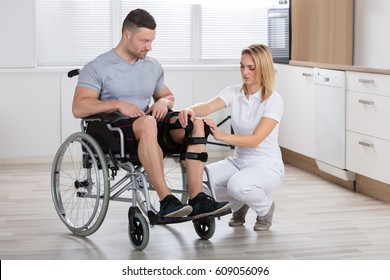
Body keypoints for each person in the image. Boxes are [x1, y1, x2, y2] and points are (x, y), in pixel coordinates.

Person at [72, 9, 230, 219]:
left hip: (150, 125)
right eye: (144, 40)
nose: (149, 47)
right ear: (126, 34)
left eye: (152, 41)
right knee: (147, 123)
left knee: (195, 123)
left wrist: (164, 102)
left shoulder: (152, 66)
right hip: (116, 130)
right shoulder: (98, 67)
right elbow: (79, 108)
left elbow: (167, 95)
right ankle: (166, 201)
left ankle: (197, 198)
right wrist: (118, 104)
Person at [178, 44, 284, 230]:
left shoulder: (274, 100)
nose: (245, 72)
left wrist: (222, 136)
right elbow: (208, 106)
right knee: (198, 182)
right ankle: (240, 204)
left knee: (237, 185)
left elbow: (255, 140)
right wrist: (189, 109)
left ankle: (265, 209)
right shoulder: (233, 92)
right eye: (242, 66)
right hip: (238, 162)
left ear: (263, 68)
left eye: (251, 68)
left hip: (266, 165)